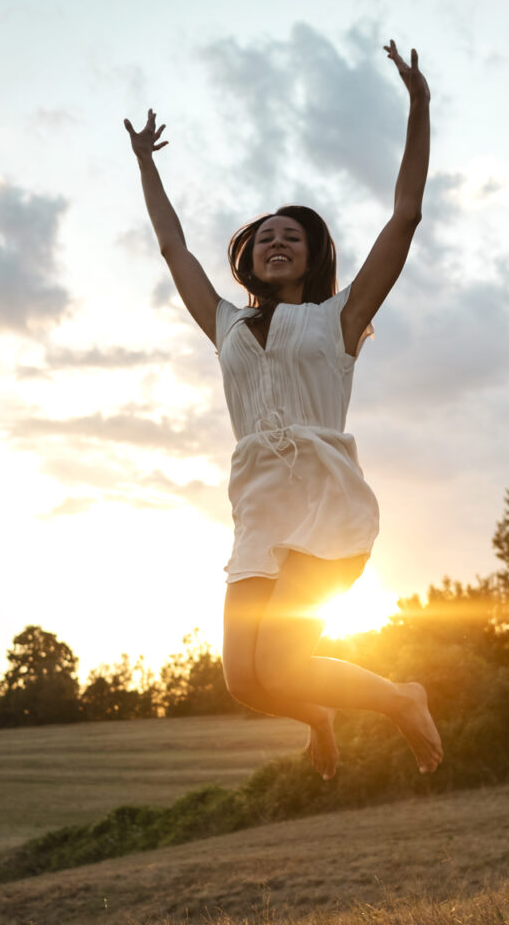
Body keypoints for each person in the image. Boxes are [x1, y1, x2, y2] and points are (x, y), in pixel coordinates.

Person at [125, 40, 443, 779]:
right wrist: (147, 162)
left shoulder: (340, 319)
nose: (275, 242)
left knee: (283, 659)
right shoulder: (225, 325)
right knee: (245, 679)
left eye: (290, 238)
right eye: (265, 237)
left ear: (311, 257)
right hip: (258, 505)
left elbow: (405, 217)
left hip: (324, 501)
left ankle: (400, 698)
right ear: (248, 257)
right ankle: (319, 714)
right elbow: (172, 247)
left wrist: (420, 107)